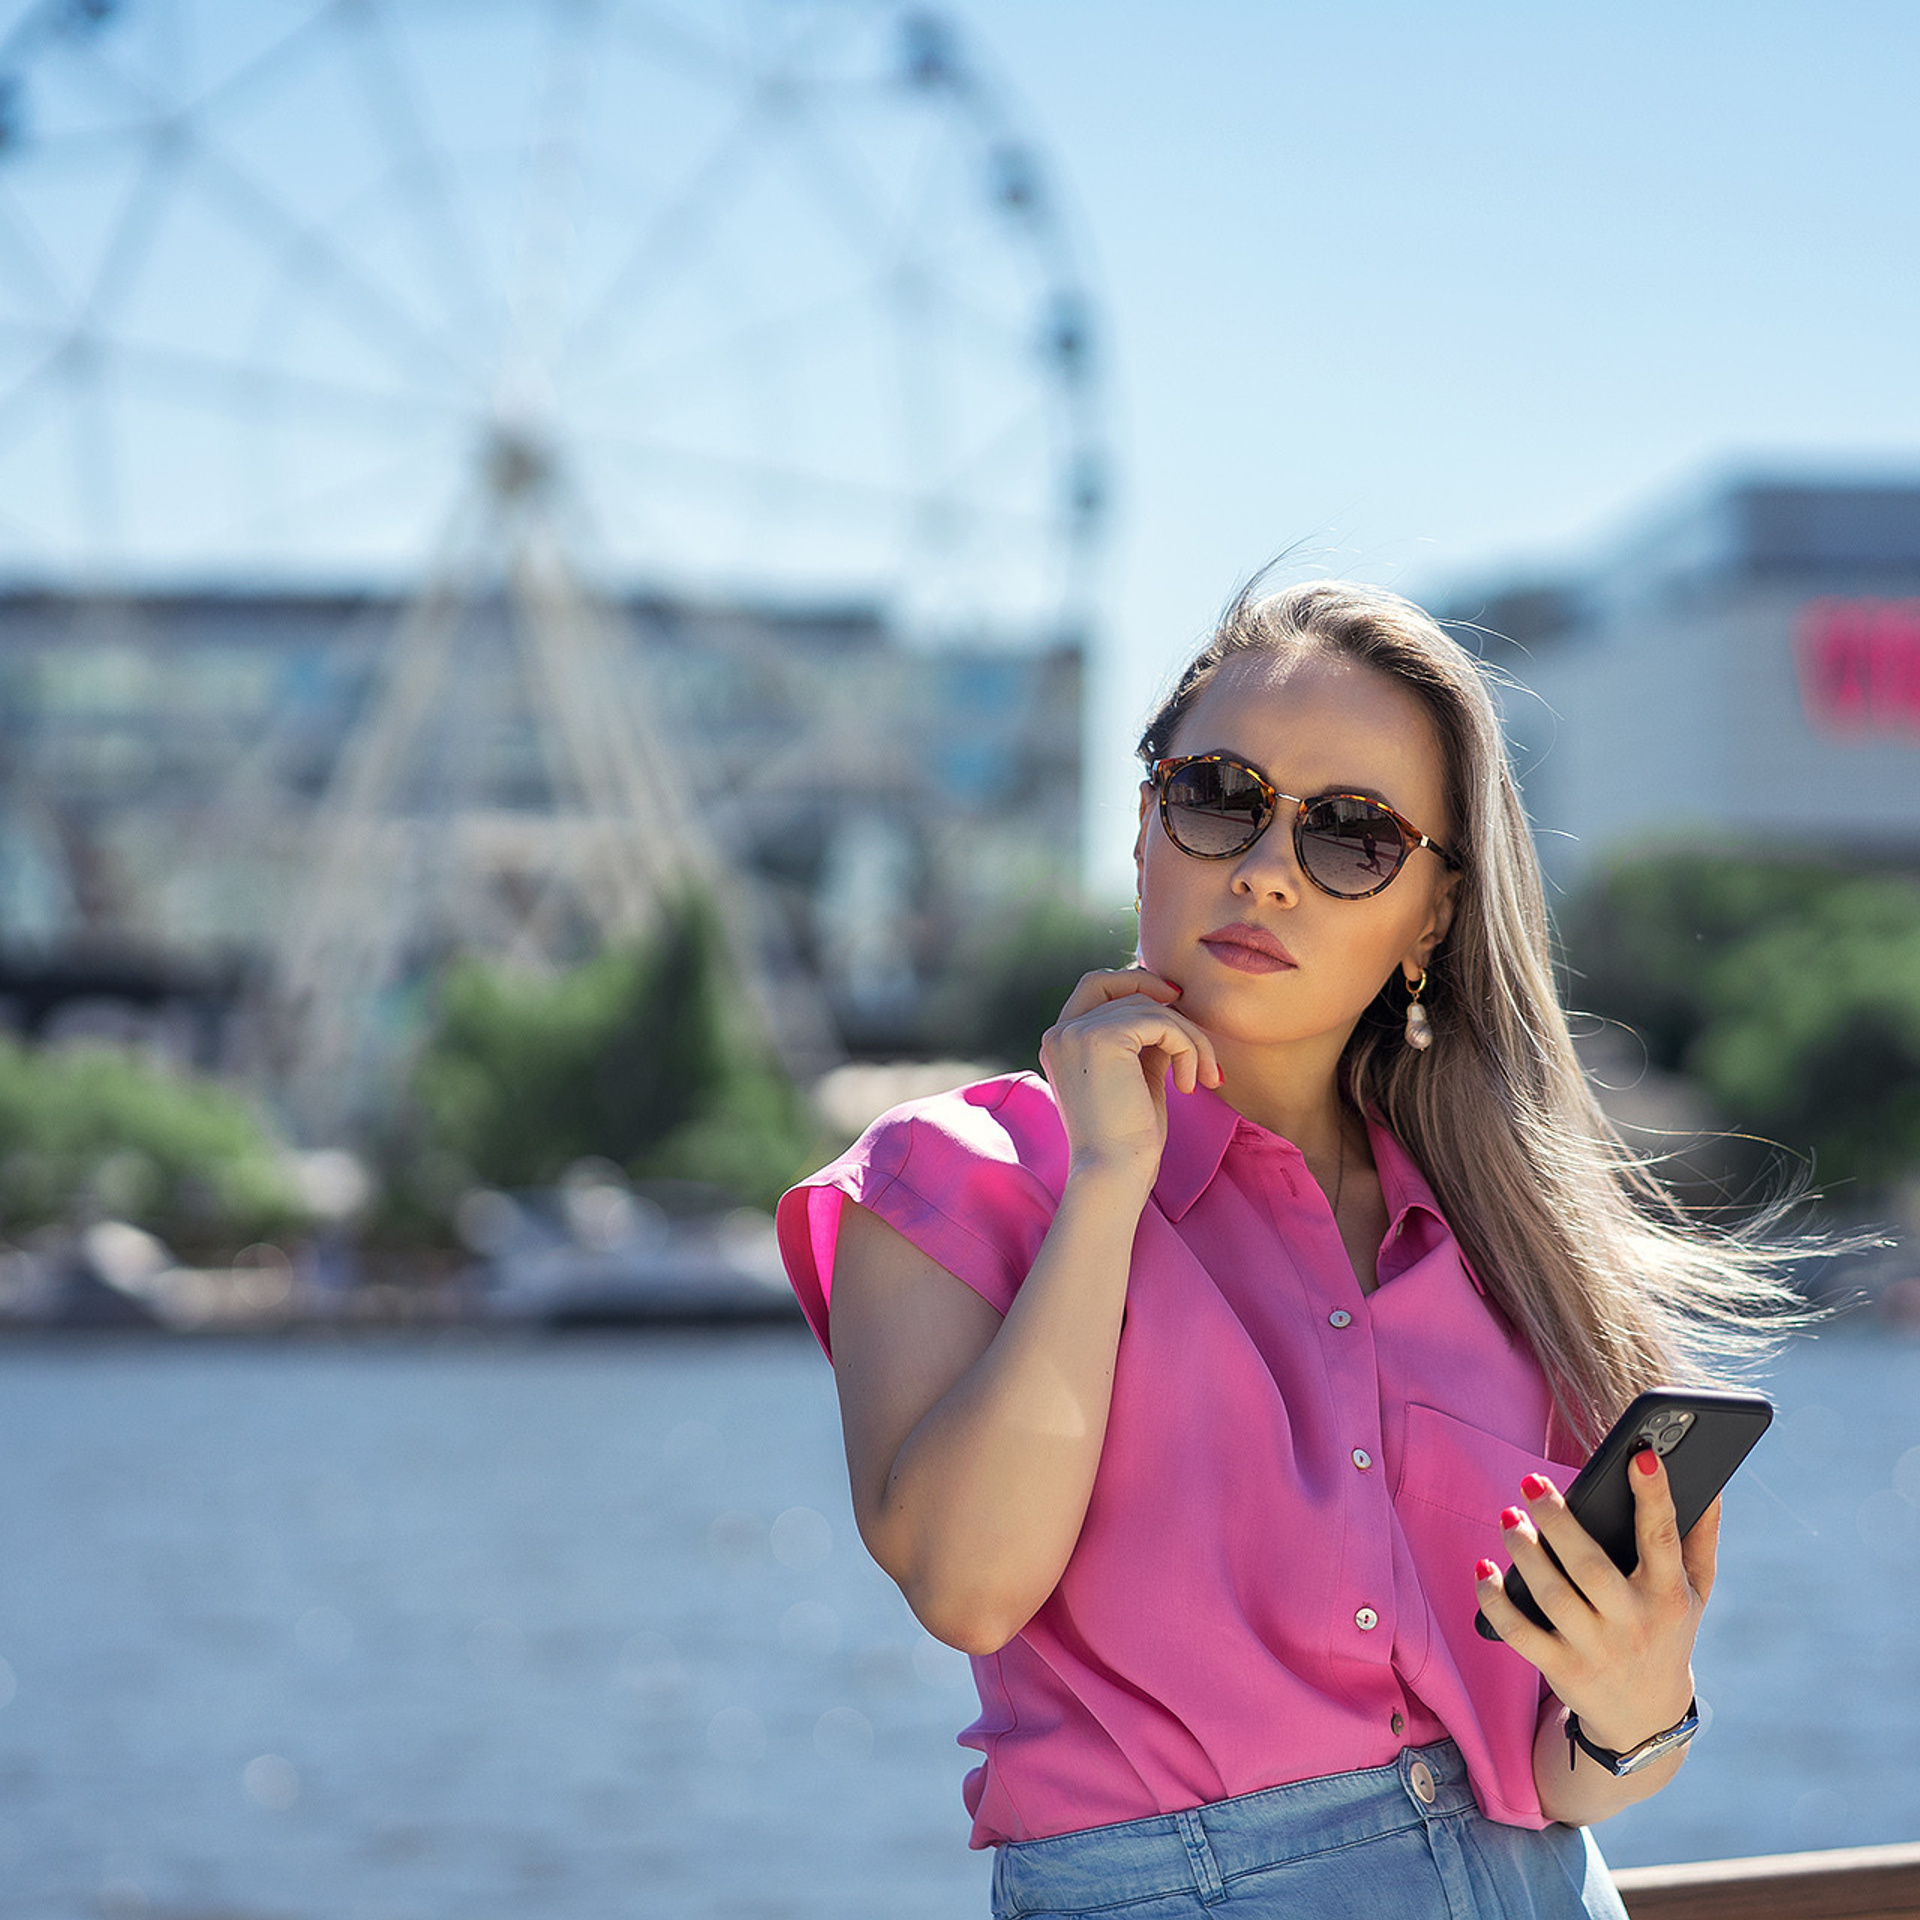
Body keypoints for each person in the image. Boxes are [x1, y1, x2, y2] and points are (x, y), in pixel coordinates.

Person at [775, 579, 1799, 1919]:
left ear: (1432, 917)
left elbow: (1562, 1778)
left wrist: (1637, 1699)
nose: (1264, 864)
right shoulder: (951, 1179)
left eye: (1354, 834)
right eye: (1218, 795)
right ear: (1145, 826)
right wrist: (1106, 1188)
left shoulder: (1514, 1250)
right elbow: (967, 1585)